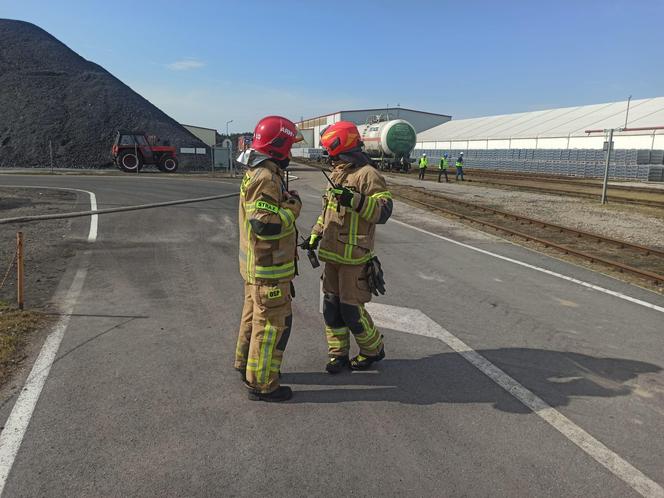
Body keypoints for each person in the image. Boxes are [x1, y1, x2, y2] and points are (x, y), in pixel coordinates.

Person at [302, 121, 393, 374]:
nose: (330, 157)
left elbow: (383, 211)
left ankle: (373, 350)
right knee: (331, 308)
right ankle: (338, 355)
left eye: (332, 152)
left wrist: (354, 199)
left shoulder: (368, 175)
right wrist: (314, 235)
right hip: (332, 256)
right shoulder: (337, 173)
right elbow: (327, 212)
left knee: (351, 311)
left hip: (355, 258)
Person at [235, 115, 302, 402]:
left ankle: (245, 366)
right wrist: (292, 209)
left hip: (256, 266)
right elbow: (264, 223)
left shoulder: (257, 170)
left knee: (253, 317)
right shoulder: (266, 176)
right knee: (273, 324)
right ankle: (262, 383)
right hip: (269, 268)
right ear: (279, 146)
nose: (290, 153)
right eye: (289, 146)